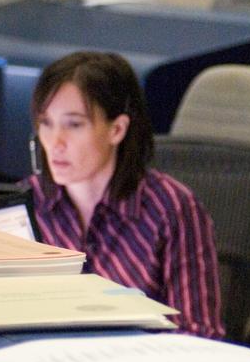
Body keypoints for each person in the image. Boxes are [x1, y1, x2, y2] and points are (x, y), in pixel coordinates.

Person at [25, 51, 224, 338]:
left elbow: (199, 333)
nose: (55, 143)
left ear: (117, 129)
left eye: (74, 124)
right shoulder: (27, 204)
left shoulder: (171, 208)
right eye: (46, 123)